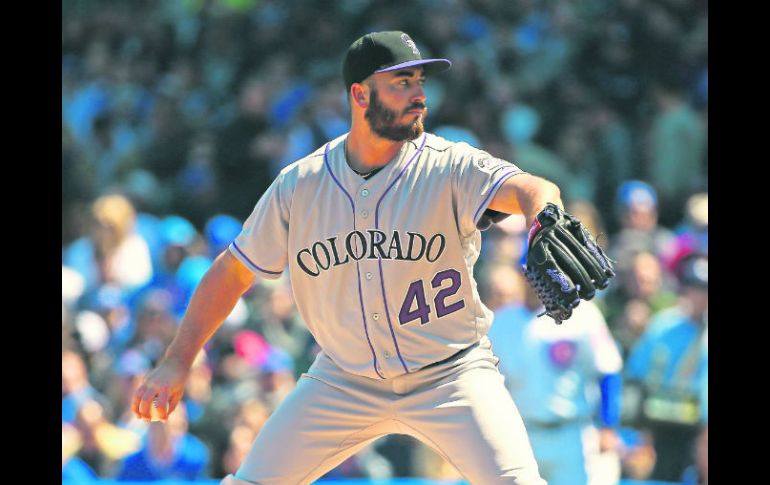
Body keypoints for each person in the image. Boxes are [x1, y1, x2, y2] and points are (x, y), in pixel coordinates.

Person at [133, 31, 603, 484]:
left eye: (420, 81)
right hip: (343, 379)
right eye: (402, 82)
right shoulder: (300, 186)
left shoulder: (448, 165)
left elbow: (532, 187)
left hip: (451, 373)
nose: (418, 95)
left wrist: (543, 216)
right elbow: (232, 271)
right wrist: (178, 359)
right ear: (360, 95)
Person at [487, 266, 623, 485]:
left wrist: (608, 425)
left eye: (541, 272)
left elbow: (608, 370)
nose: (535, 279)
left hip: (570, 432)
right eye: (529, 272)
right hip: (520, 434)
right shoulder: (501, 321)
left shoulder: (580, 313)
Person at [624, 253, 708, 482]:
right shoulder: (664, 325)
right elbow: (636, 376)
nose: (700, 296)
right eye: (694, 288)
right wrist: (640, 435)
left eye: (704, 290)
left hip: (700, 434)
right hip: (660, 429)